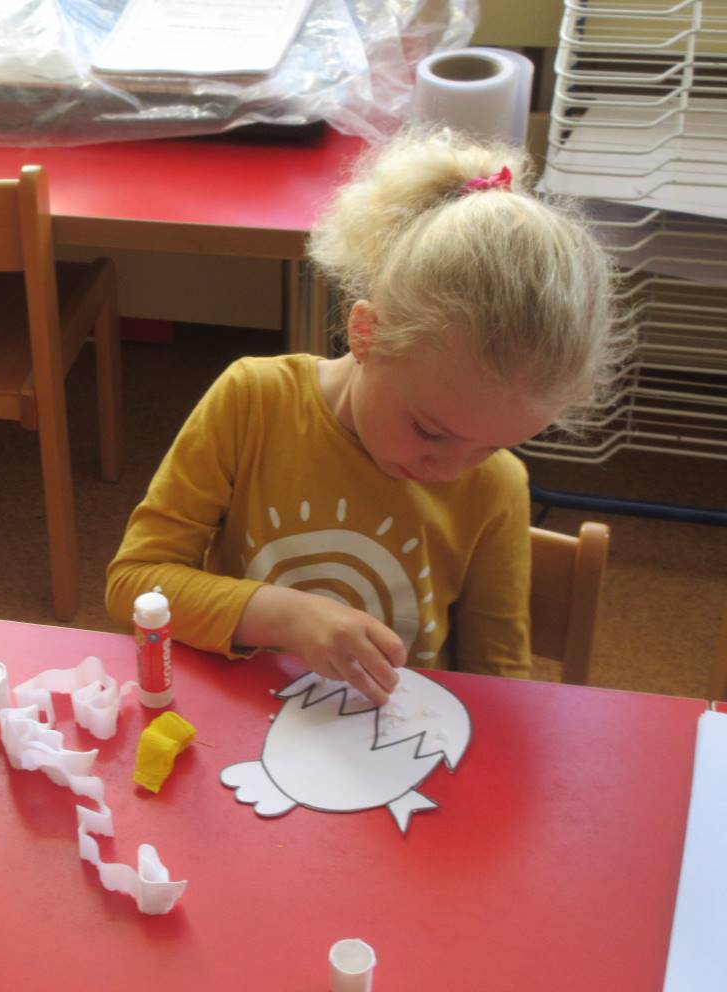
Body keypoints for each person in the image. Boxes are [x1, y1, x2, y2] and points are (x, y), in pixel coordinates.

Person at [106, 127, 628, 705]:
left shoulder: (497, 486)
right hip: (239, 715)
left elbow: (495, 680)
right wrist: (288, 616)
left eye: (490, 447)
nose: (449, 471)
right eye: (430, 432)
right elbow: (135, 583)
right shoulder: (253, 401)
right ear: (366, 334)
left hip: (396, 737)